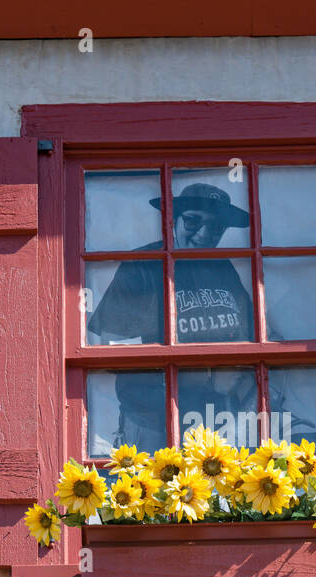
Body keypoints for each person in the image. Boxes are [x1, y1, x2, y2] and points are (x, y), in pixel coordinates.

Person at [87, 182, 255, 453]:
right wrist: (208, 377)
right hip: (153, 422)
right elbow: (113, 351)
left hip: (219, 421)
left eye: (215, 227)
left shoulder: (223, 266)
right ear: (173, 219)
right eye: (192, 221)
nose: (204, 234)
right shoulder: (143, 264)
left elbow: (253, 332)